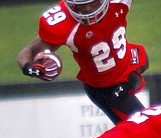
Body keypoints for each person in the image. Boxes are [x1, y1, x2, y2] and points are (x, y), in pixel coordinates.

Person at [18, 0, 149, 124]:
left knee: (144, 60)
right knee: (144, 129)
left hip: (129, 61)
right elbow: (28, 51)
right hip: (106, 87)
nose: (87, 10)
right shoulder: (61, 22)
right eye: (81, 5)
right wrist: (30, 68)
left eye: (92, 3)